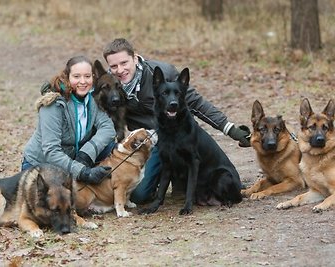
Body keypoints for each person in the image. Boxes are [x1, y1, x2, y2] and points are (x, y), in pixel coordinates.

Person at [102, 38, 251, 203]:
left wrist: (230, 129)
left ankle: (180, 178)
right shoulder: (110, 86)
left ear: (135, 58)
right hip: (147, 142)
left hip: (176, 136)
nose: (120, 70)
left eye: (124, 63)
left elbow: (196, 103)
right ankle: (163, 177)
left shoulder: (162, 73)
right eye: (114, 66)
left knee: (146, 191)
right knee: (138, 196)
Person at [22, 55, 116, 184]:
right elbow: (51, 151)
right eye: (77, 76)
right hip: (41, 164)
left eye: (87, 76)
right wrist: (83, 172)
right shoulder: (54, 104)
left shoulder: (92, 98)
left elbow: (108, 128)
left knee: (110, 146)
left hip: (73, 157)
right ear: (68, 77)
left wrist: (86, 154)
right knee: (57, 203)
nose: (83, 81)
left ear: (93, 78)